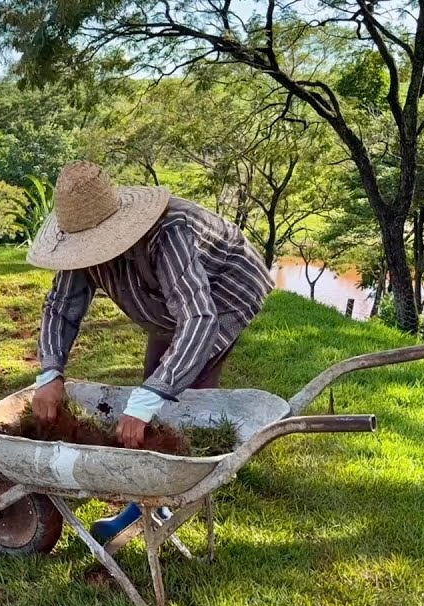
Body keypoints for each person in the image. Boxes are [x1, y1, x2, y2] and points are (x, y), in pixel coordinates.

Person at [28, 161, 274, 542]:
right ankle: (146, 492)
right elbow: (61, 307)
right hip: (167, 300)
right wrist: (50, 373)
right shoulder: (81, 244)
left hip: (224, 290)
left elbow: (197, 317)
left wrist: (152, 397)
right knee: (154, 381)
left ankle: (162, 496)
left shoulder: (168, 233)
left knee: (185, 399)